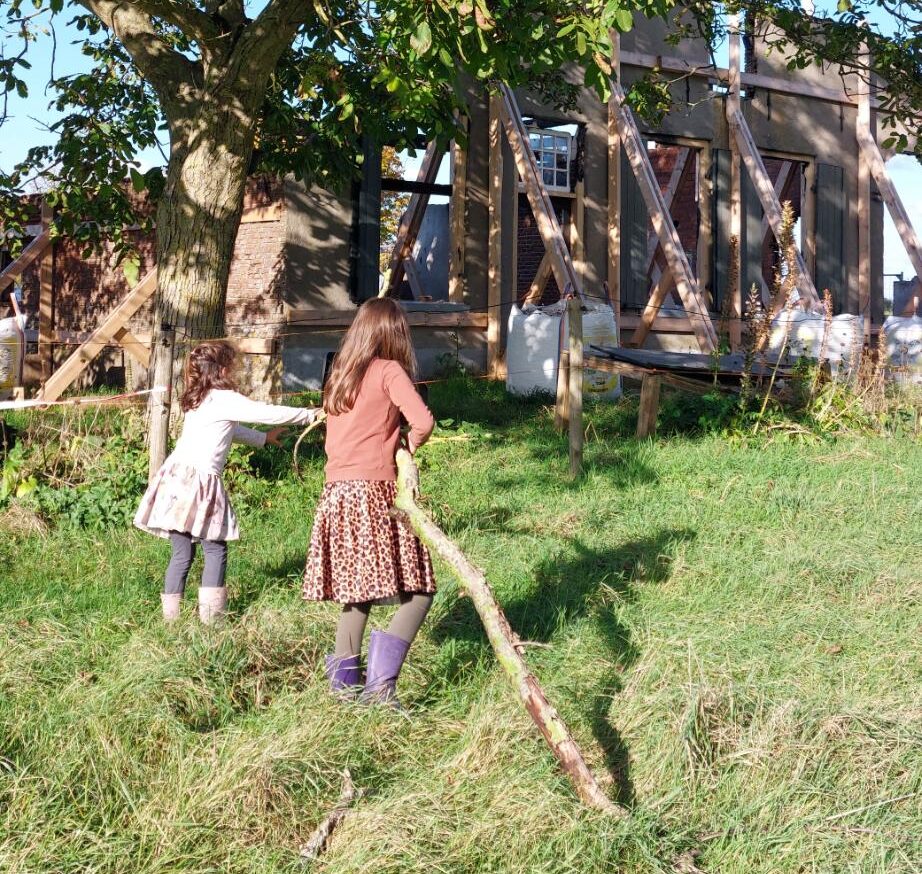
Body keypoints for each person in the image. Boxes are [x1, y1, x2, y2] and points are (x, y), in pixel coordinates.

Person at [303, 297, 436, 708]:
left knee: (356, 594)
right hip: (372, 492)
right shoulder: (389, 371)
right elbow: (423, 421)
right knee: (420, 590)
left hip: (336, 495)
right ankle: (380, 690)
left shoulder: (340, 375)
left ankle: (343, 693)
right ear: (394, 332)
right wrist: (406, 452)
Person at [135, 340, 319, 624]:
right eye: (232, 365)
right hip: (199, 480)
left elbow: (227, 428)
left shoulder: (199, 397)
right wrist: (311, 414)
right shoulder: (224, 398)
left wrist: (262, 438)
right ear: (222, 369)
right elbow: (266, 412)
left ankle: (170, 623)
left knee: (182, 551)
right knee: (215, 547)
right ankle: (212, 622)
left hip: (175, 478)